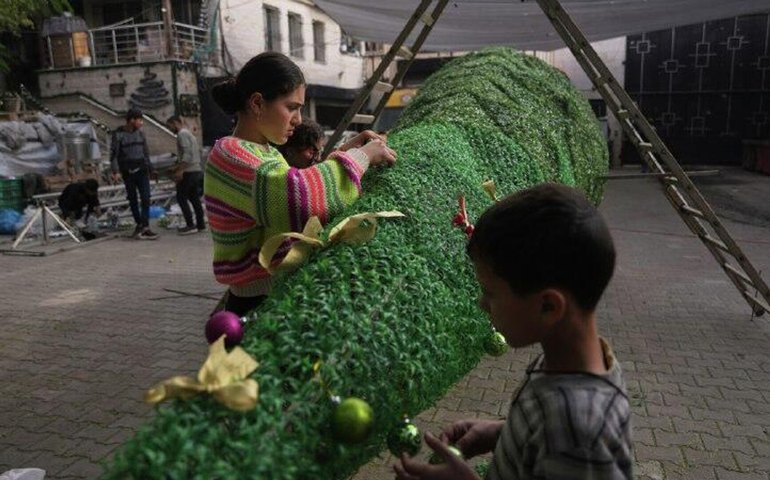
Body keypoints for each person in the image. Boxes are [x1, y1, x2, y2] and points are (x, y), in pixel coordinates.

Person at [395, 183, 632, 480]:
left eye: (490, 293)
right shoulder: (569, 364)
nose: (482, 304)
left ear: (548, 306)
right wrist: (503, 433)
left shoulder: (579, 431)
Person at [205, 52, 396, 316]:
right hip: (257, 303)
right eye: (292, 107)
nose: (297, 119)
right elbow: (299, 198)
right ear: (258, 103)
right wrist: (361, 157)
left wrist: (342, 155)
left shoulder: (263, 151)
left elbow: (288, 189)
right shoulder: (231, 154)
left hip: (269, 294)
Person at [110, 108, 159, 240]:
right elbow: (114, 154)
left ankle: (145, 226)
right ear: (131, 120)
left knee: (146, 197)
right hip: (128, 171)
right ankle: (140, 224)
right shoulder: (118, 134)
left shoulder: (141, 134)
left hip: (142, 170)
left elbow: (146, 153)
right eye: (139, 120)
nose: (141, 123)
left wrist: (151, 169)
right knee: (132, 199)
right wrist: (116, 171)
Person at [166, 115, 206, 235]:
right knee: (194, 198)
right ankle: (200, 224)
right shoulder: (189, 134)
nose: (170, 129)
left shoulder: (182, 134)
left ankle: (190, 224)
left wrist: (180, 170)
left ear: (175, 123)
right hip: (196, 170)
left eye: (170, 126)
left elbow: (187, 154)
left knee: (181, 197)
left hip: (189, 171)